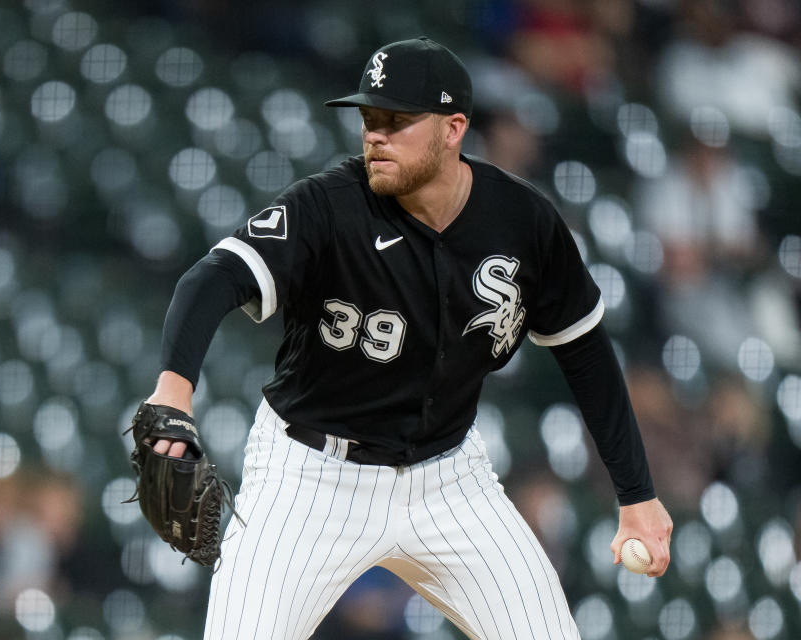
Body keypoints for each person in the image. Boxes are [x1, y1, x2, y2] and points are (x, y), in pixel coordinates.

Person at [141, 37, 673, 639]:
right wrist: (174, 390)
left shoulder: (523, 222)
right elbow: (211, 279)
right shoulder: (330, 206)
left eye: (396, 121)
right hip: (310, 477)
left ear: (453, 129)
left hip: (450, 479)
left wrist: (637, 494)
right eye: (370, 118)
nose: (375, 135)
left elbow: (587, 353)